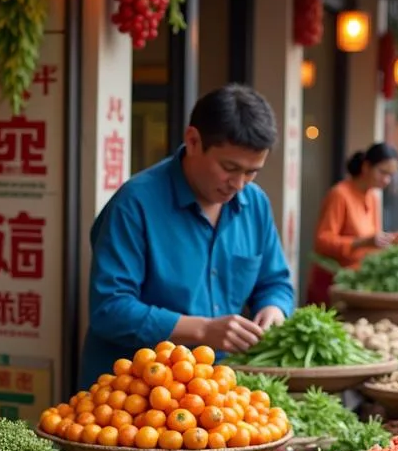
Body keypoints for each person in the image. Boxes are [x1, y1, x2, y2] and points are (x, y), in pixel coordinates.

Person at [80, 84, 295, 388]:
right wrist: (203, 330)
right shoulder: (135, 203)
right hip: (129, 396)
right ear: (193, 140)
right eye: (229, 168)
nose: (239, 183)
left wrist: (274, 308)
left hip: (215, 392)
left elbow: (275, 282)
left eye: (252, 172)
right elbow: (110, 308)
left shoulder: (254, 203)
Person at [306, 143, 398, 306]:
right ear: (366, 167)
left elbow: (372, 239)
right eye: (382, 172)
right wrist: (364, 242)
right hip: (333, 284)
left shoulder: (373, 197)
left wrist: (391, 239)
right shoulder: (340, 194)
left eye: (391, 175)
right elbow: (322, 241)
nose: (387, 180)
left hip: (357, 285)